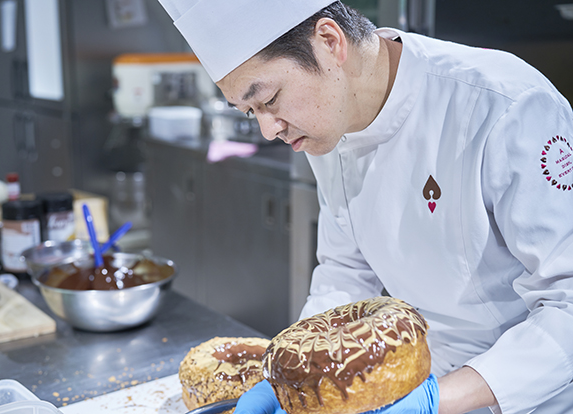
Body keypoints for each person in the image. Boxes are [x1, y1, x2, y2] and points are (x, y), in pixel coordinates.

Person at [157, 1, 573, 413]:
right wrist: (293, 377)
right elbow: (346, 269)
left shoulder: (504, 104)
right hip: (420, 380)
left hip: (529, 395)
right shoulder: (327, 122)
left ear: (328, 42)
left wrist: (436, 401)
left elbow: (567, 302)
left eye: (269, 99)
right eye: (251, 112)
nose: (268, 130)